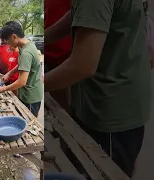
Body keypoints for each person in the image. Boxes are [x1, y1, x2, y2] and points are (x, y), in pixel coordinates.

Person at [44, 0, 150, 177]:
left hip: (111, 107)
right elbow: (83, 14)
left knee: (105, 170)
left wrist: (32, 83)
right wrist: (42, 38)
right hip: (125, 91)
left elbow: (82, 65)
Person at [0, 21, 43, 118]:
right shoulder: (27, 45)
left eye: (8, 41)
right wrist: (9, 73)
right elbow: (22, 65)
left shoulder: (26, 52)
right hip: (31, 92)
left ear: (14, 37)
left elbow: (21, 82)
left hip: (30, 96)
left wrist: (3, 89)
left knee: (30, 122)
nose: (8, 44)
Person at [45, 0, 71, 112]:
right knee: (56, 107)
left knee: (67, 110)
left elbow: (77, 15)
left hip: (66, 56)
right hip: (50, 55)